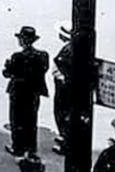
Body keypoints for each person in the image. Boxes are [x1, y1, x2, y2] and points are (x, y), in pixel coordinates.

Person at [3, 25, 50, 159]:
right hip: (34, 91)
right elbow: (43, 70)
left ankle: (18, 147)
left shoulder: (17, 56)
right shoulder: (43, 55)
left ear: (22, 40)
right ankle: (31, 148)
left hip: (18, 92)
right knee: (31, 119)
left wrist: (7, 67)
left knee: (17, 120)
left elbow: (8, 73)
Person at [51, 21, 73, 155]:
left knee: (62, 112)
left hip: (64, 87)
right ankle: (65, 136)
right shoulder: (71, 47)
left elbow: (60, 65)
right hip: (66, 85)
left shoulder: (67, 50)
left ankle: (66, 140)